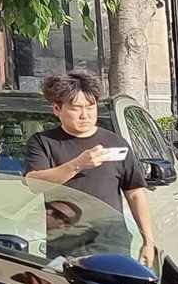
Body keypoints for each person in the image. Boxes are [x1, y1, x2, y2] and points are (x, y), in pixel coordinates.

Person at [23, 70, 156, 260]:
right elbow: (34, 183)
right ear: (56, 109)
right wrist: (78, 164)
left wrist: (148, 242)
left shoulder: (116, 143)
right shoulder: (43, 142)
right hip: (64, 243)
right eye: (76, 108)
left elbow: (135, 194)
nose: (85, 115)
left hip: (110, 241)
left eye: (90, 107)